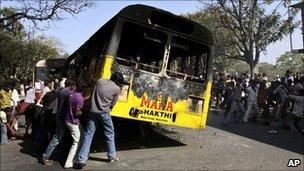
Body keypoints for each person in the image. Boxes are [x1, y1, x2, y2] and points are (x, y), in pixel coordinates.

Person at [74, 72, 124, 169]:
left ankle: (81, 160)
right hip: (104, 113)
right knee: (109, 134)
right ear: (118, 81)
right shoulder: (117, 89)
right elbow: (113, 103)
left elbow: (93, 91)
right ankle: (111, 156)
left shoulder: (100, 81)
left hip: (92, 112)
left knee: (88, 135)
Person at [42, 79, 76, 165]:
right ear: (71, 85)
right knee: (56, 138)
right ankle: (46, 156)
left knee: (58, 136)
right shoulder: (68, 92)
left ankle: (51, 153)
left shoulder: (61, 91)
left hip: (58, 117)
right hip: (62, 118)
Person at [64, 82, 86, 169]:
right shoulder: (80, 98)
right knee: (76, 142)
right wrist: (83, 112)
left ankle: (78, 156)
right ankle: (69, 162)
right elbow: (77, 112)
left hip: (68, 119)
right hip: (73, 122)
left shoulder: (71, 94)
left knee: (83, 134)